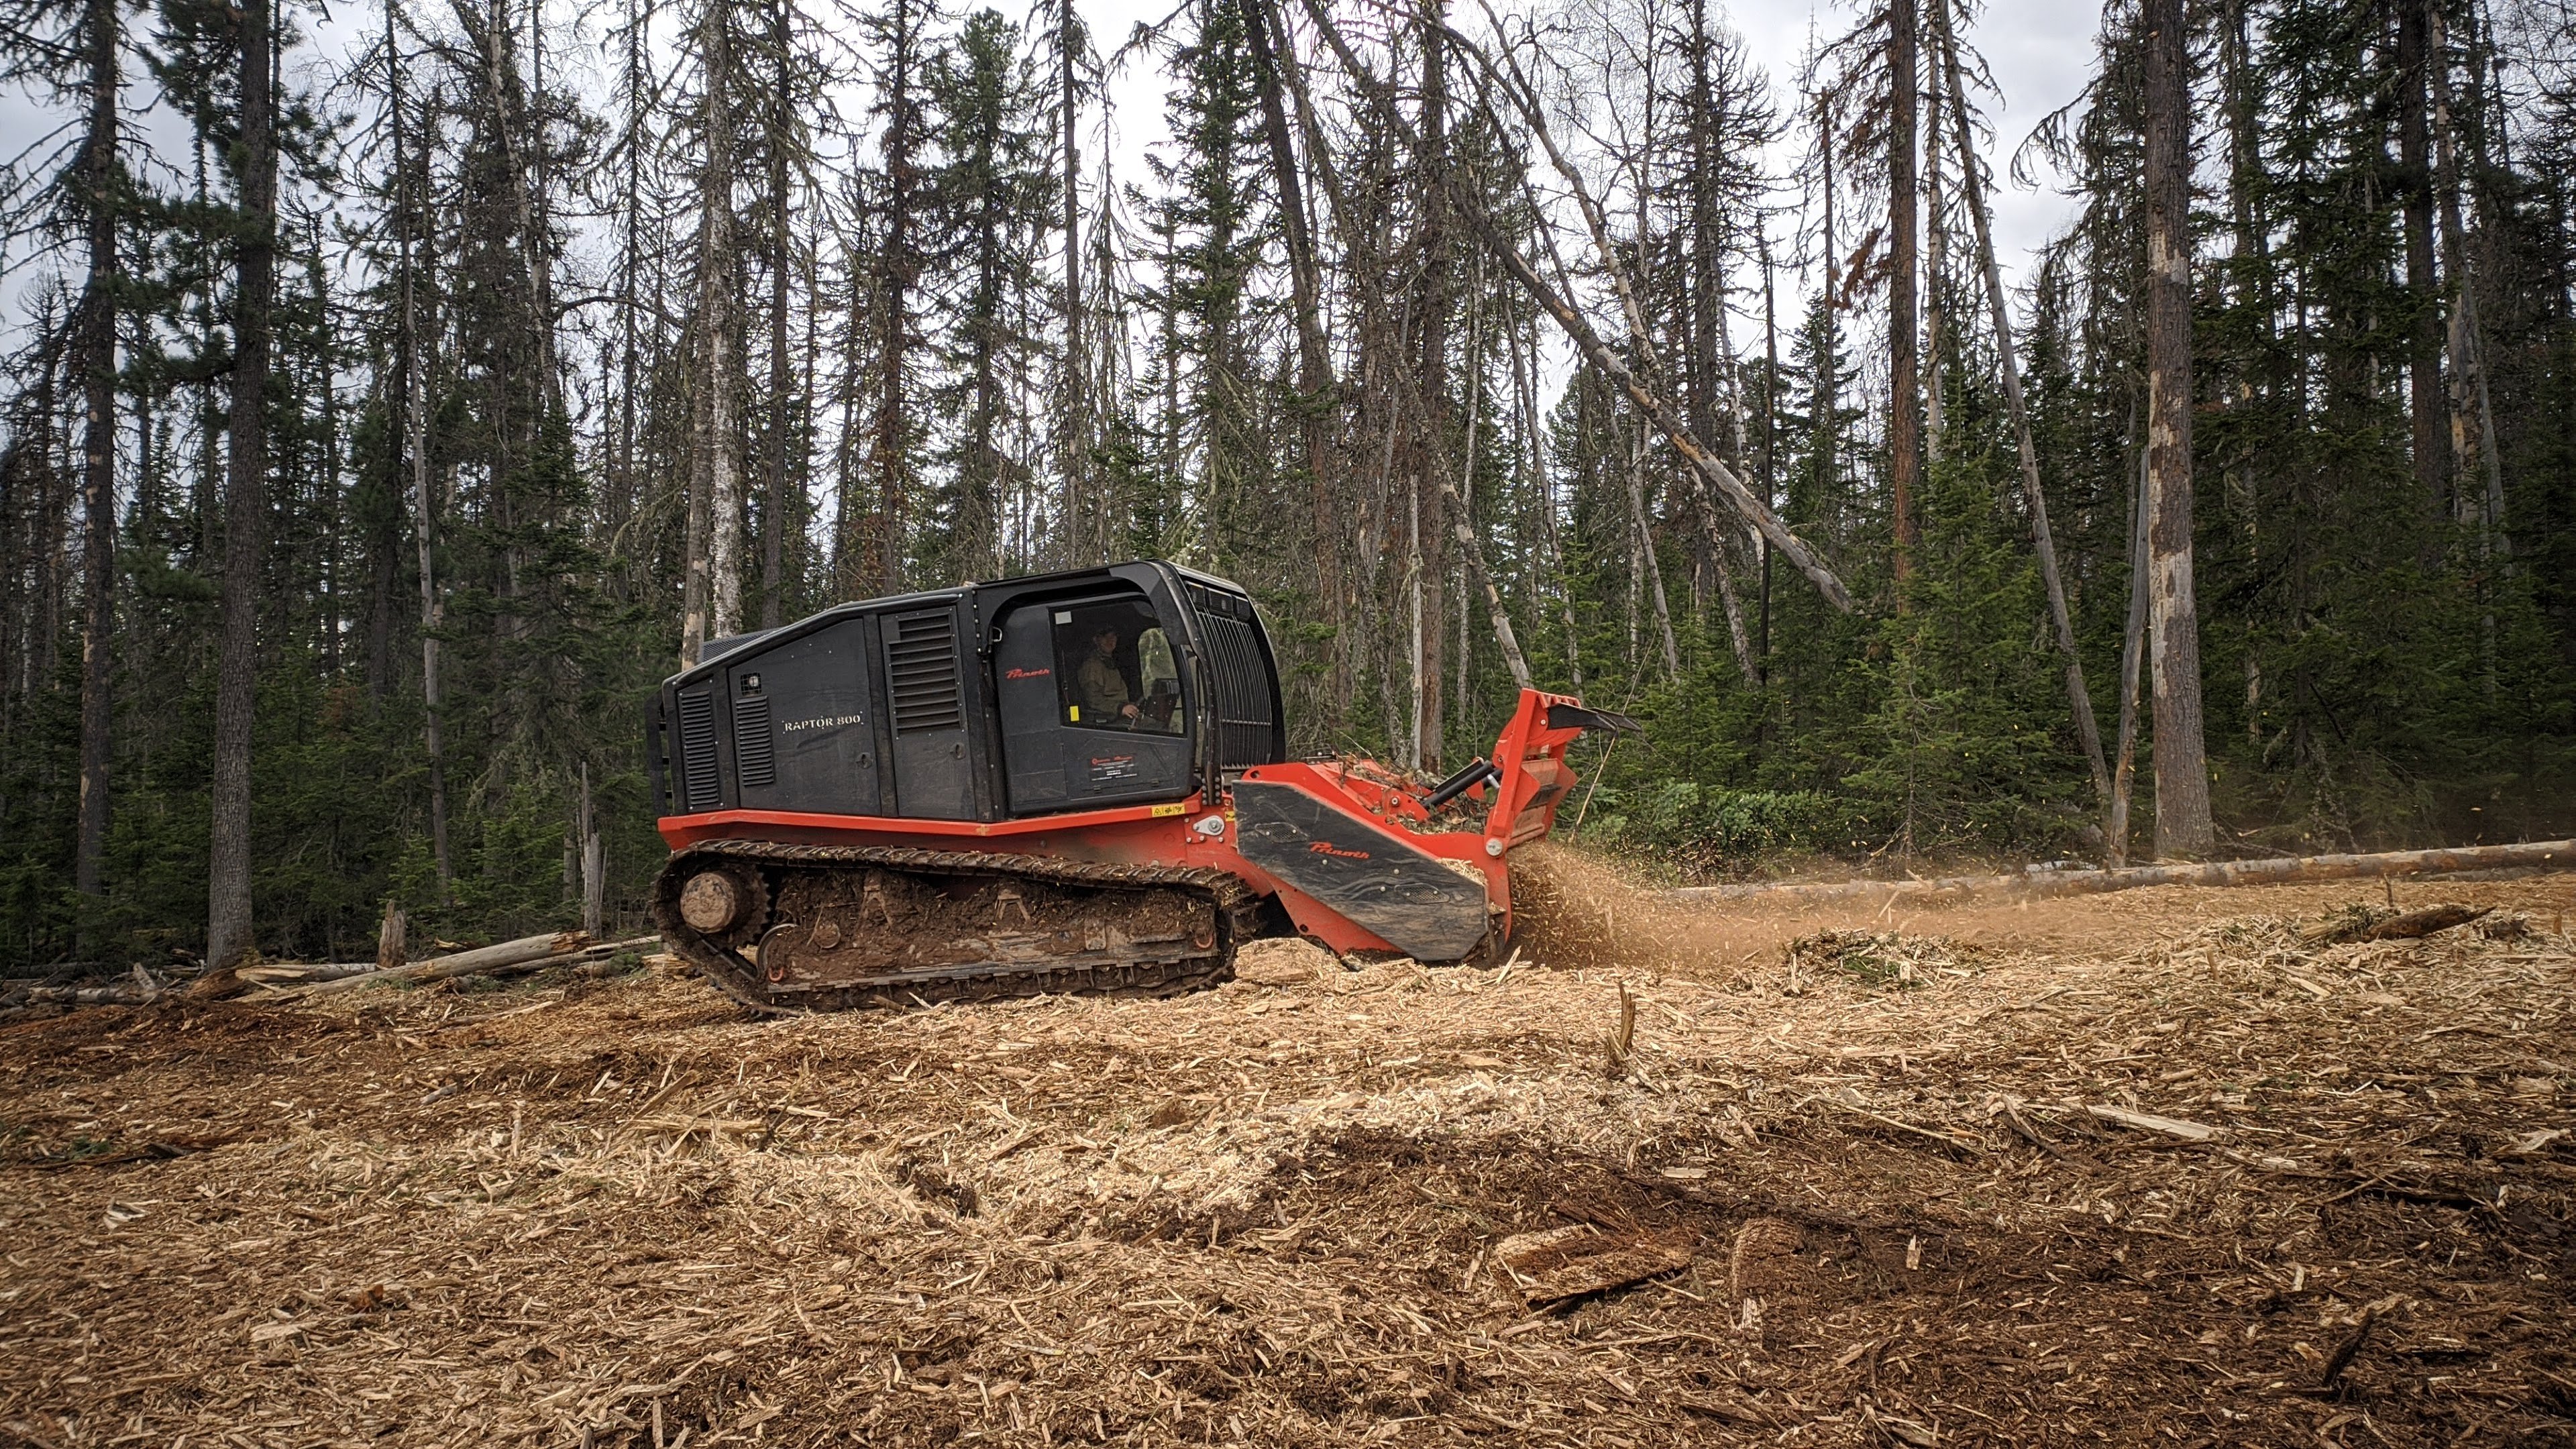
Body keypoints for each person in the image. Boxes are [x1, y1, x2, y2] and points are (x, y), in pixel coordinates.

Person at [1077, 627, 1140, 726]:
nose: (1110, 641)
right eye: (1105, 637)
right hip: (1106, 720)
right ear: (1096, 640)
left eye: (1113, 637)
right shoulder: (1092, 666)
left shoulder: (1109, 662)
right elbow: (1093, 700)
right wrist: (1120, 708)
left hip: (1117, 716)